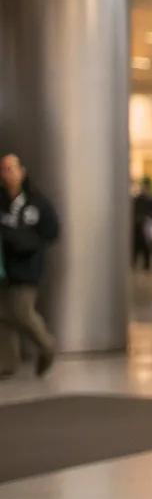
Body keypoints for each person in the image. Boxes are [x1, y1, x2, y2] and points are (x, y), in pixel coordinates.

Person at [0, 153, 60, 379]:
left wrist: (25, 242)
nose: (8, 173)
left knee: (22, 312)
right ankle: (7, 363)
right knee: (2, 316)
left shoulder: (37, 202)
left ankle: (47, 346)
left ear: (22, 171)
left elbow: (51, 231)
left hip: (26, 268)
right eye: (3, 169)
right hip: (3, 268)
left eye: (11, 168)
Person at [132, 177, 152, 269]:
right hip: (140, 223)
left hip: (147, 223)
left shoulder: (151, 198)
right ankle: (140, 263)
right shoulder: (139, 198)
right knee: (140, 243)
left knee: (149, 243)